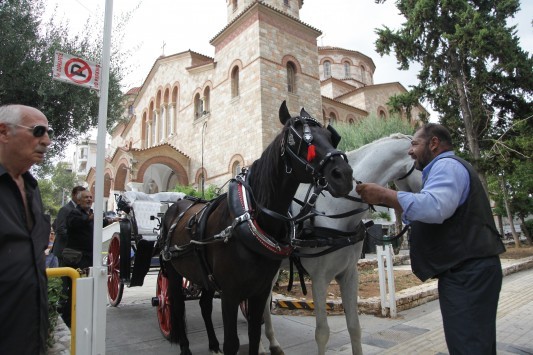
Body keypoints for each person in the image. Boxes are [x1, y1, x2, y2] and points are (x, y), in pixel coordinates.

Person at [356, 123, 506, 354]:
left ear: (433, 143)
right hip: (467, 272)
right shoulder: (445, 168)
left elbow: (436, 206)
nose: (410, 151)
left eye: (415, 144)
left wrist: (385, 195)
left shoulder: (446, 165)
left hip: (467, 273)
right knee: (474, 344)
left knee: (468, 346)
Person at [0, 104, 53, 354]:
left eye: (49, 132)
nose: (47, 141)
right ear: (3, 132)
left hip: (32, 336)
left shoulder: (32, 189)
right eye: (38, 131)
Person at [51, 185, 86, 265]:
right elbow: (60, 229)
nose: (81, 198)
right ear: (73, 195)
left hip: (75, 251)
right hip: (64, 250)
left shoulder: (80, 210)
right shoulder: (65, 209)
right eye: (80, 195)